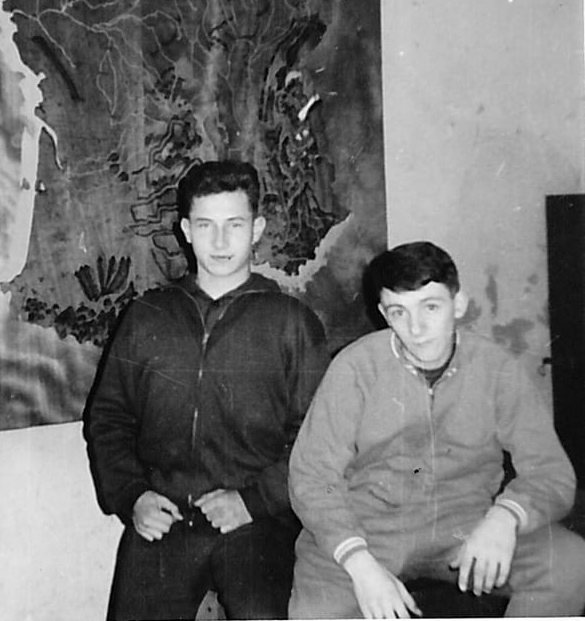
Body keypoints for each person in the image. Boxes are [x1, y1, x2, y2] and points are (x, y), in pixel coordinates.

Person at [84, 159, 330, 621]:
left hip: (258, 523)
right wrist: (132, 496)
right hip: (164, 516)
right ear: (186, 230)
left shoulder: (292, 323)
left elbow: (318, 437)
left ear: (256, 229)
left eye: (234, 224)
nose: (219, 242)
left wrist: (254, 502)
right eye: (205, 225)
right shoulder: (147, 316)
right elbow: (108, 418)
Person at [288, 240, 585, 619]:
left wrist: (505, 518)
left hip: (466, 526)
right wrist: (359, 563)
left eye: (430, 307)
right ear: (383, 314)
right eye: (399, 312)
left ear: (458, 304)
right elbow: (312, 478)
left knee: (569, 564)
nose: (416, 329)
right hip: (368, 530)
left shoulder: (497, 368)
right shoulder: (355, 367)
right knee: (316, 614)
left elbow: (552, 473)